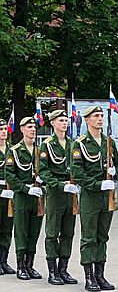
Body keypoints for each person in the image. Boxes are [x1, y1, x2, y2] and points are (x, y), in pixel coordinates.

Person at [72, 106, 118, 291]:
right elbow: (77, 172)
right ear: (87, 120)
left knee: (103, 236)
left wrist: (114, 172)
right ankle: (89, 277)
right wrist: (97, 184)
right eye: (96, 116)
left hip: (107, 197)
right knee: (89, 237)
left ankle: (100, 275)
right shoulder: (80, 144)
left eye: (101, 116)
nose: (100, 119)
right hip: (90, 196)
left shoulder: (108, 142)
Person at [39, 110, 78, 285]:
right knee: (52, 233)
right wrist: (61, 185)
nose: (64, 123)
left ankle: (64, 269)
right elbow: (43, 171)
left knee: (68, 232)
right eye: (61, 120)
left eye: (66, 120)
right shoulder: (47, 145)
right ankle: (52, 271)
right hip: (55, 192)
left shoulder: (73, 144)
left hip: (71, 193)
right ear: (53, 123)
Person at [5, 117, 44, 280]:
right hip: (22, 196)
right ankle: (21, 266)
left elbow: (46, 169)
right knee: (21, 232)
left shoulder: (39, 150)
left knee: (34, 232)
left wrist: (43, 181)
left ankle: (30, 265)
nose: (33, 130)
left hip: (37, 197)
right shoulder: (14, 151)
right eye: (29, 127)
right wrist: (26, 189)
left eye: (34, 127)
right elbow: (10, 176)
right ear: (22, 129)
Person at [0, 119, 15, 276]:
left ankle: (3, 261)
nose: (4, 131)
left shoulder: (11, 150)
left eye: (5, 129)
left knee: (6, 229)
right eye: (1, 129)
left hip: (10, 193)